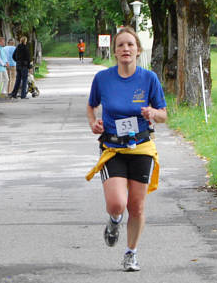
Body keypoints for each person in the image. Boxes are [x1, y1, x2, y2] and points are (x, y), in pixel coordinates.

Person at [86, 26, 167, 272]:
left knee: (137, 206)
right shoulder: (103, 79)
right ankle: (114, 220)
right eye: (120, 45)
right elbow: (91, 107)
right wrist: (94, 123)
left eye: (130, 45)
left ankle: (131, 253)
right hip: (112, 147)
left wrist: (153, 112)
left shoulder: (149, 78)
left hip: (141, 147)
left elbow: (163, 115)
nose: (125, 49)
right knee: (117, 204)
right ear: (115, 52)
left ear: (138, 50)